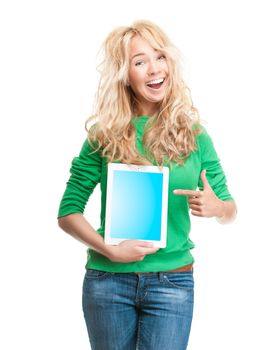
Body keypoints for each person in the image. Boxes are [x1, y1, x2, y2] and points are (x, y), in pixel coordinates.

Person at [57, 20, 237, 350]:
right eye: (139, 61)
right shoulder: (103, 136)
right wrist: (109, 249)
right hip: (107, 281)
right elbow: (68, 212)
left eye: (160, 56)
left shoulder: (194, 135)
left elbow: (229, 208)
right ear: (125, 74)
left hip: (174, 282)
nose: (154, 69)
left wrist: (218, 208)